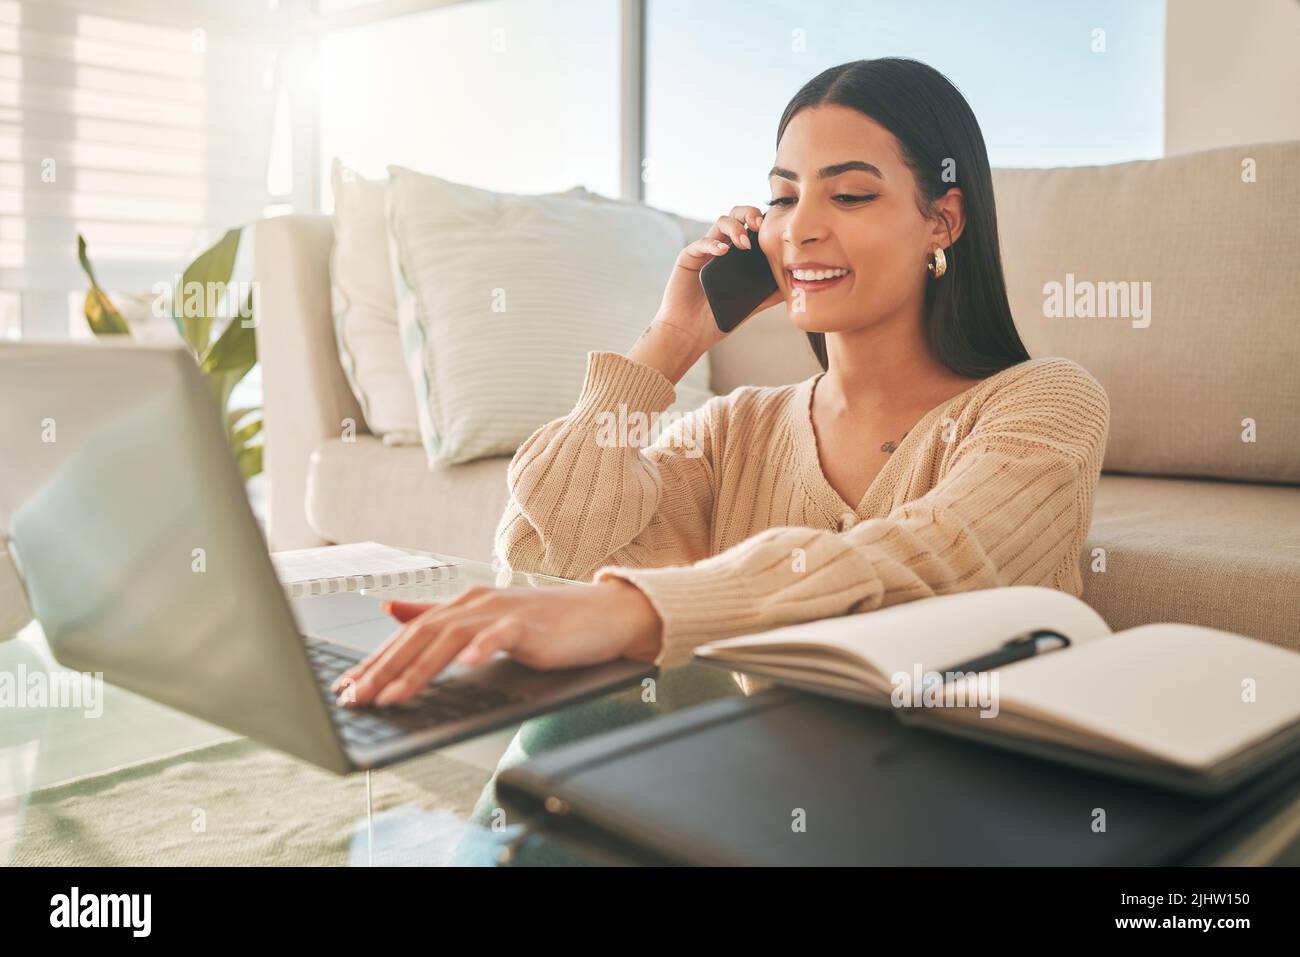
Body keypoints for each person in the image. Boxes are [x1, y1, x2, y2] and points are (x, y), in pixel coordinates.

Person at [334, 57, 1110, 711]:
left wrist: (634, 608)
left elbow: (933, 565)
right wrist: (669, 344)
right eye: (782, 195)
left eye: (849, 194)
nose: (801, 226)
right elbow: (547, 552)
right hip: (763, 777)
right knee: (580, 722)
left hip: (965, 793)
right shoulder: (736, 428)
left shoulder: (1044, 402)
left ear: (942, 222)